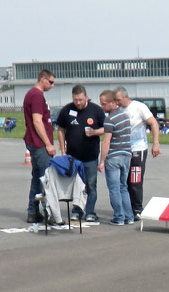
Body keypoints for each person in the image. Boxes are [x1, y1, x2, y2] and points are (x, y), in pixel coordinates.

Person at [56, 84, 106, 222]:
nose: (78, 102)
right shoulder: (67, 110)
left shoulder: (96, 110)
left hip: (90, 156)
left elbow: (107, 128)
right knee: (75, 184)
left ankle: (90, 211)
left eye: (81, 100)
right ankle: (76, 210)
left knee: (90, 185)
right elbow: (60, 129)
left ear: (86, 98)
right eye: (75, 100)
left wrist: (95, 132)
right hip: (73, 157)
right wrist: (62, 148)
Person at [114, 86, 161, 220]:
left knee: (135, 180)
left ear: (125, 97)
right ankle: (126, 208)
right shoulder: (117, 110)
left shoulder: (139, 107)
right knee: (124, 180)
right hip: (123, 149)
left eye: (119, 100)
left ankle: (137, 208)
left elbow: (153, 123)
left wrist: (155, 143)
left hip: (138, 149)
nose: (117, 103)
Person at [23, 69, 56, 223]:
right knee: (46, 179)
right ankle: (49, 212)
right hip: (39, 144)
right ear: (42, 79)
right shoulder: (36, 95)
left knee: (37, 178)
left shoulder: (32, 94)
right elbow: (37, 121)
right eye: (50, 82)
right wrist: (48, 144)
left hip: (34, 142)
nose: (52, 85)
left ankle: (33, 211)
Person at [97, 90, 134, 226]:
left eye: (104, 104)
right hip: (126, 155)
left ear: (112, 103)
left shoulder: (109, 119)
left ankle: (119, 217)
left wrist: (102, 161)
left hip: (114, 157)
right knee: (123, 187)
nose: (102, 106)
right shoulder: (125, 116)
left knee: (114, 188)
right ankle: (129, 216)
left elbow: (106, 142)